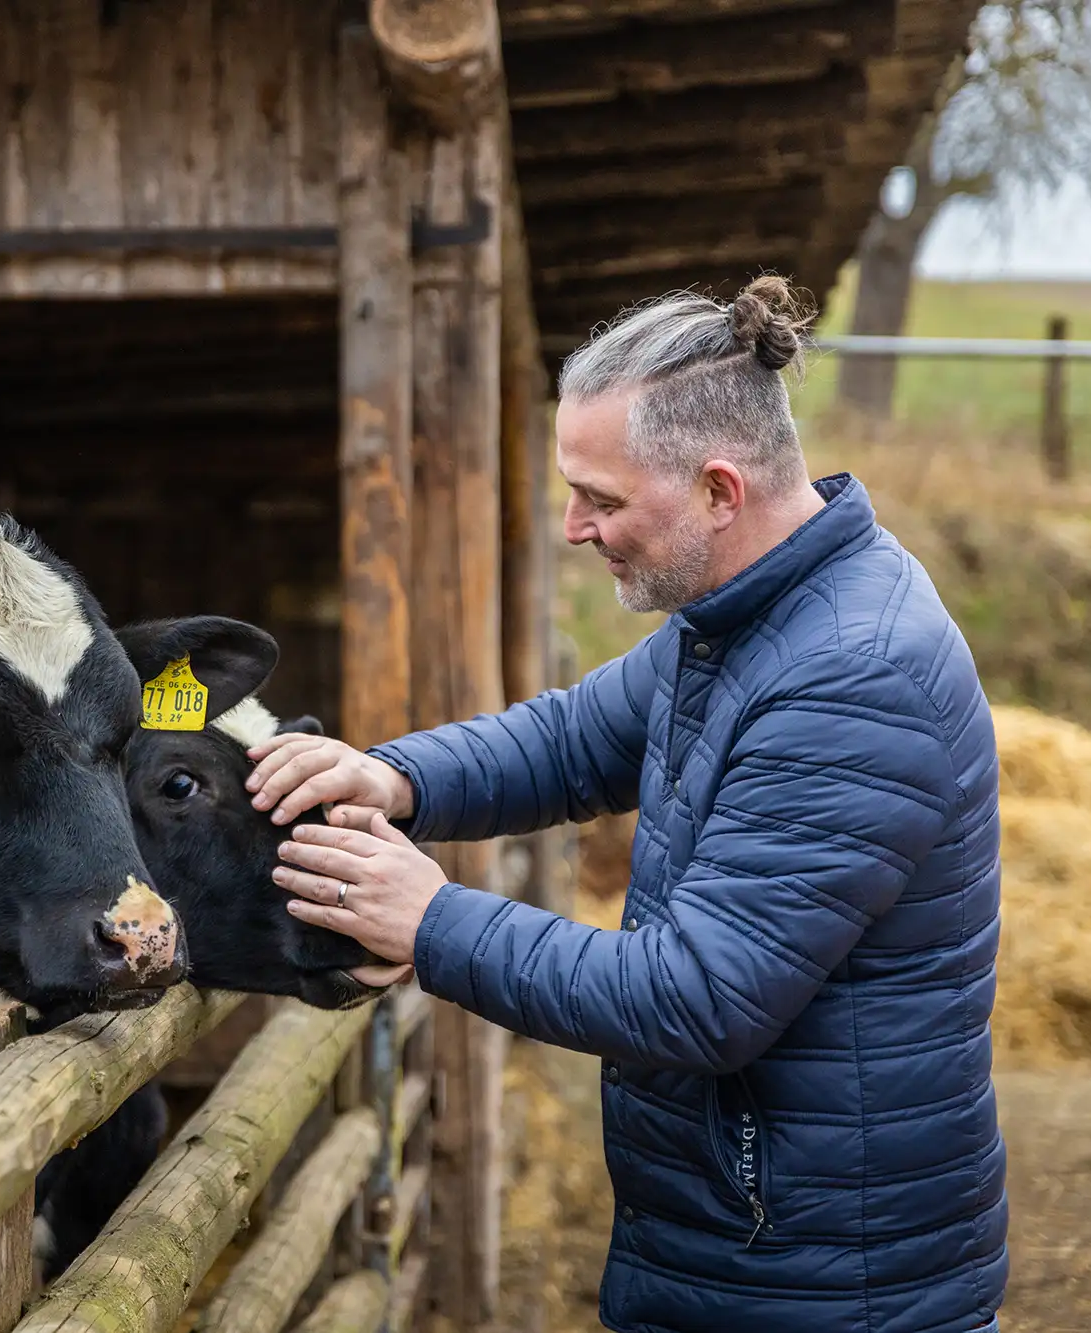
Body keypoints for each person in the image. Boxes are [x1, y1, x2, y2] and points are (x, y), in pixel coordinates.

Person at [248, 275, 1008, 1333]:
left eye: (598, 498)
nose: (571, 527)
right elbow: (569, 740)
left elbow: (696, 997)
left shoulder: (849, 676)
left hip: (820, 1283)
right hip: (744, 1241)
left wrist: (430, 922)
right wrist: (394, 776)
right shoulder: (746, 618)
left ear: (716, 490)